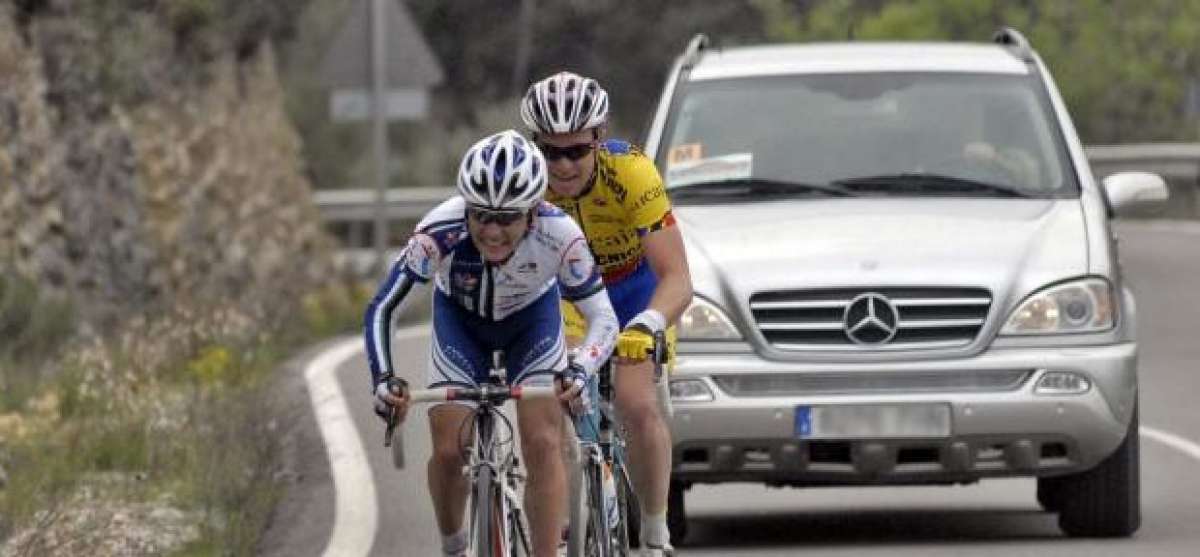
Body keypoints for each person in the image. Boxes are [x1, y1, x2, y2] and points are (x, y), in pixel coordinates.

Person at [365, 130, 619, 557]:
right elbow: (383, 308)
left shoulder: (562, 236)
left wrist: (581, 369)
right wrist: (384, 378)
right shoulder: (439, 230)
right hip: (460, 325)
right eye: (481, 215)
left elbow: (603, 318)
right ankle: (454, 546)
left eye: (507, 218)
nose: (492, 230)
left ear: (533, 213)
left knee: (541, 442)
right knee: (449, 451)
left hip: (531, 325)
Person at [521, 71, 694, 556]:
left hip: (636, 293)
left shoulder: (632, 172)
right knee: (549, 406)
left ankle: (656, 535)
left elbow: (677, 278)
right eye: (550, 151)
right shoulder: (528, 184)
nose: (562, 165)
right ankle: (559, 524)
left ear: (598, 138)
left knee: (636, 401)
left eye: (575, 150)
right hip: (568, 298)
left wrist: (649, 323)